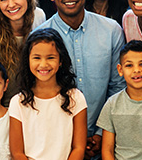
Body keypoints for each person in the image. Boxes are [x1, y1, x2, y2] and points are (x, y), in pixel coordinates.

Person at [37, 0, 125, 159]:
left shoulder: (112, 31)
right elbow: (38, 96)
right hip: (57, 145)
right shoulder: (39, 38)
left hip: (105, 141)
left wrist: (103, 133)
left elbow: (118, 88)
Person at [9, 28, 87, 159]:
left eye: (50, 57)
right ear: (28, 60)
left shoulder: (75, 97)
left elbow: (78, 148)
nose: (43, 64)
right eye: (37, 58)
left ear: (61, 60)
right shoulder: (18, 102)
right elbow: (17, 152)